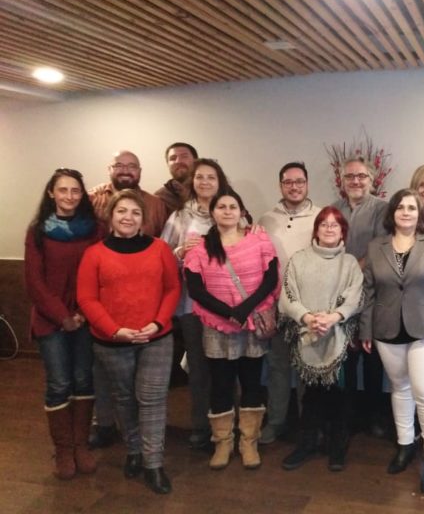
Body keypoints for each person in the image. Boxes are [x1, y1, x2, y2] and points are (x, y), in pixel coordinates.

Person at [77, 190, 181, 494]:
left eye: (135, 212)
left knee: (152, 399)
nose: (128, 217)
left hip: (156, 338)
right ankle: (134, 450)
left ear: (143, 219)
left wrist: (157, 323)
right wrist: (114, 330)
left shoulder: (160, 248)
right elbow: (87, 298)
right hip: (112, 341)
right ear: (111, 216)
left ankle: (153, 464)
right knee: (124, 398)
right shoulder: (94, 254)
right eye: (122, 211)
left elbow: (172, 289)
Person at [361, 189, 424, 493]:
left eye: (412, 208)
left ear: (420, 214)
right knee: (400, 388)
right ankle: (405, 444)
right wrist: (365, 330)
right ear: (392, 213)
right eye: (400, 207)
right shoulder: (376, 246)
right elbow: (368, 292)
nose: (406, 212)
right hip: (386, 329)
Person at [184, 188, 279, 471]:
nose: (227, 211)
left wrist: (244, 309)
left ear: (242, 212)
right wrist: (228, 313)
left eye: (232, 206)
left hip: (251, 322)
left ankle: (249, 441)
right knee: (221, 384)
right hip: (217, 326)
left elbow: (270, 278)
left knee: (251, 382)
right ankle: (222, 443)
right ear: (212, 212)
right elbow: (195, 289)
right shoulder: (200, 248)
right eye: (221, 207)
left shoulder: (258, 240)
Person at [24, 168, 102, 480]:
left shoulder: (95, 229)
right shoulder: (38, 231)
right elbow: (34, 282)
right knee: (59, 383)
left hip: (86, 316)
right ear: (51, 193)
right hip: (50, 319)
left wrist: (81, 313)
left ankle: (81, 445)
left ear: (82, 194)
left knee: (83, 379)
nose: (69, 196)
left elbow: (100, 273)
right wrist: (63, 317)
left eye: (75, 190)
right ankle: (64, 449)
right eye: (63, 190)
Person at [279, 207, 363, 472]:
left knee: (340, 396)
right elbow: (288, 295)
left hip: (339, 337)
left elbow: (355, 297)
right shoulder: (298, 259)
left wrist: (333, 317)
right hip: (307, 335)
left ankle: (337, 445)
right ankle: (307, 442)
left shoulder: (350, 263)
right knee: (311, 395)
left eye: (334, 225)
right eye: (323, 224)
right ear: (316, 229)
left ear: (342, 232)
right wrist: (307, 318)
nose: (329, 229)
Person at [161, 158, 230, 450]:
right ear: (192, 182)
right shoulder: (180, 216)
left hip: (226, 304)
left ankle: (227, 425)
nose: (205, 182)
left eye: (211, 177)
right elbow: (161, 256)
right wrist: (179, 251)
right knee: (199, 367)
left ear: (220, 181)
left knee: (226, 365)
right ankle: (201, 425)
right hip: (191, 305)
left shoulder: (230, 211)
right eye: (200, 177)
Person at [258, 162, 321, 444]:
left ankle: (309, 426)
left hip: (310, 308)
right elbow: (259, 263)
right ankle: (277, 421)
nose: (294, 187)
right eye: (288, 182)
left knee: (308, 367)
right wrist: (265, 306)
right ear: (280, 185)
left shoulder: (320, 216)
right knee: (278, 367)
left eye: (299, 181)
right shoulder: (266, 220)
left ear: (307, 184)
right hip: (278, 305)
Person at [332, 156, 389, 437]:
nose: (356, 181)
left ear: (372, 180)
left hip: (371, 294)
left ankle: (374, 415)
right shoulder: (334, 209)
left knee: (372, 357)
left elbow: (379, 246)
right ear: (342, 181)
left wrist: (352, 271)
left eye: (361, 176)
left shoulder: (382, 208)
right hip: (340, 295)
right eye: (350, 176)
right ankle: (347, 415)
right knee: (346, 358)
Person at [89, 150, 167, 237]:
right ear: (109, 169)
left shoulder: (156, 204)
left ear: (140, 171)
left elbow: (162, 239)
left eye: (132, 166)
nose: (125, 171)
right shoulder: (94, 198)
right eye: (118, 166)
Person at [155, 142, 198, 216]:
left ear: (196, 161)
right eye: (172, 158)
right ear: (168, 164)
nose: (178, 161)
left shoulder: (210, 191)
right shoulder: (159, 198)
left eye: (184, 156)